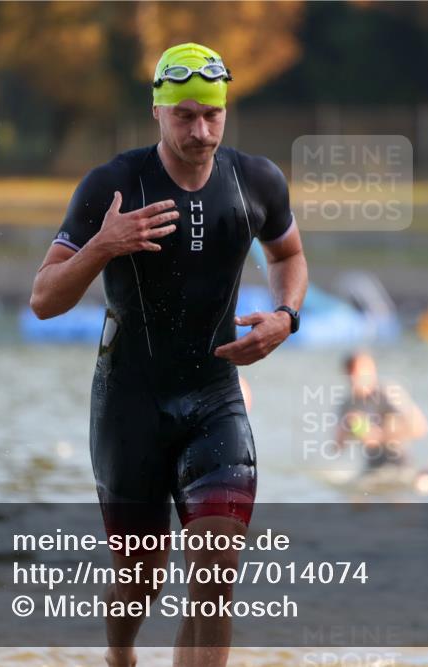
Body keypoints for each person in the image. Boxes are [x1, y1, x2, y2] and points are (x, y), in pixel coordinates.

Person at [29, 43, 308, 667]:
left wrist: (286, 318)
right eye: (184, 115)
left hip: (215, 400)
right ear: (156, 112)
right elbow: (44, 300)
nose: (200, 130)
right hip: (130, 405)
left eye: (212, 115)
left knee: (214, 578)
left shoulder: (256, 180)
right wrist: (102, 246)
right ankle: (120, 658)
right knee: (141, 577)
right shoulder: (113, 184)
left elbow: (287, 254)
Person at [334, 351, 428, 472]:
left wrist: (379, 436)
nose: (354, 378)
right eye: (350, 373)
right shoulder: (347, 404)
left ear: (372, 371)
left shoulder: (388, 393)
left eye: (358, 373)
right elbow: (337, 448)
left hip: (400, 462)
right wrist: (347, 428)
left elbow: (420, 428)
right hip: (372, 464)